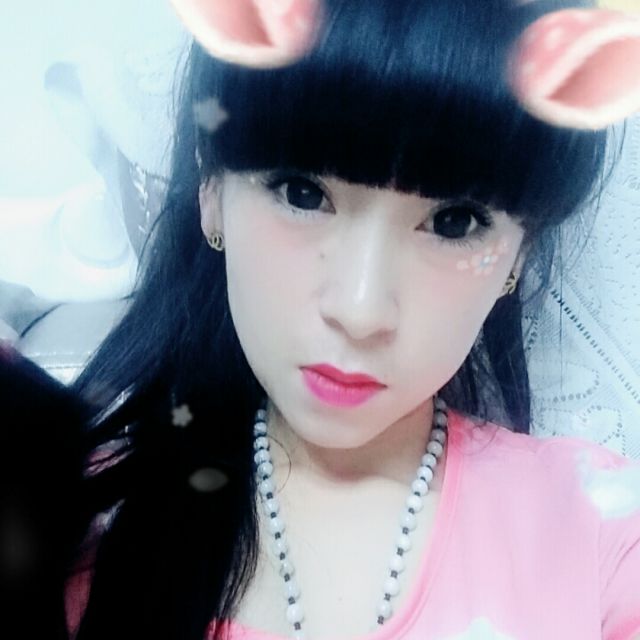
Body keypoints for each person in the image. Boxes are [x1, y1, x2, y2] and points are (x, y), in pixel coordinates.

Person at [57, 0, 640, 639]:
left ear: (519, 254)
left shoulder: (600, 534)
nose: (360, 312)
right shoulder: (78, 521)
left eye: (454, 223)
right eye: (302, 193)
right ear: (213, 189)